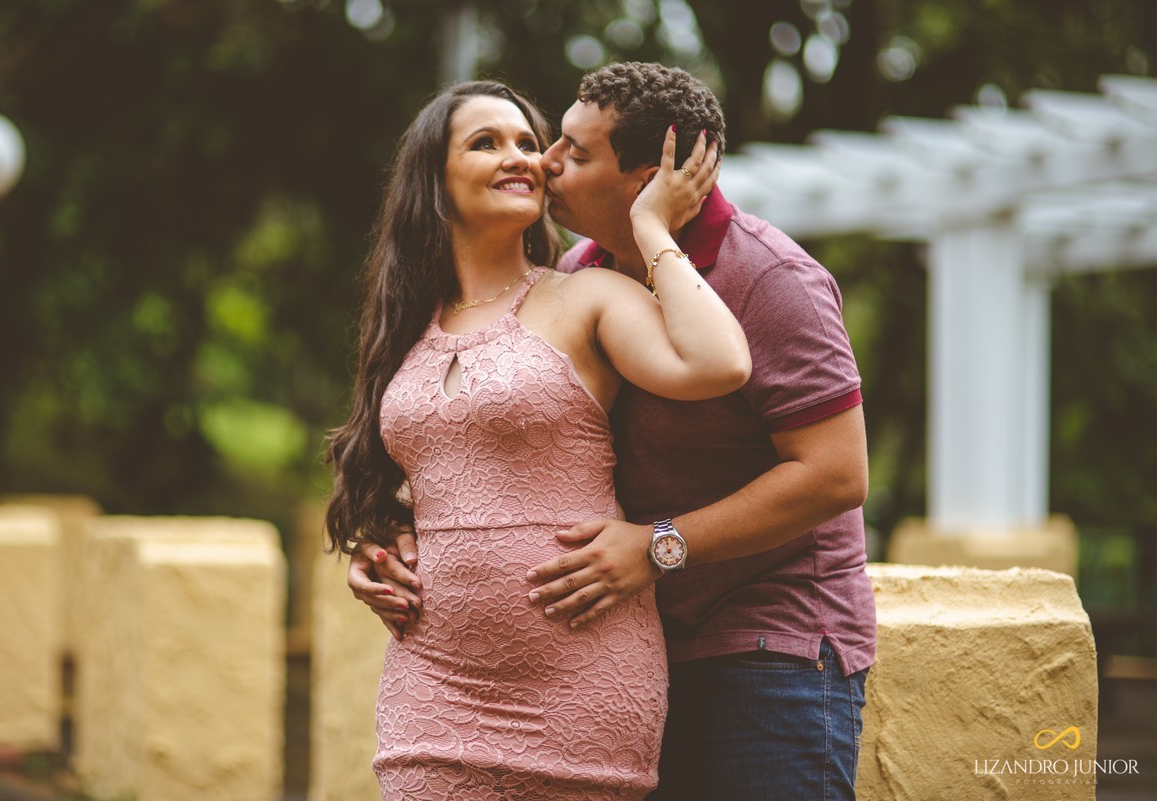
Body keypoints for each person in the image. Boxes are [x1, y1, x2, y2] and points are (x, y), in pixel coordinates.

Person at [350, 63, 876, 801]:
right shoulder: (577, 270)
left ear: (646, 177)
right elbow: (510, 450)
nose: (544, 161)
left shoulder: (770, 278)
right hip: (630, 623)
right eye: (549, 142)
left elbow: (837, 475)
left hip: (767, 643)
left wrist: (659, 545)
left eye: (571, 150)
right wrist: (395, 544)